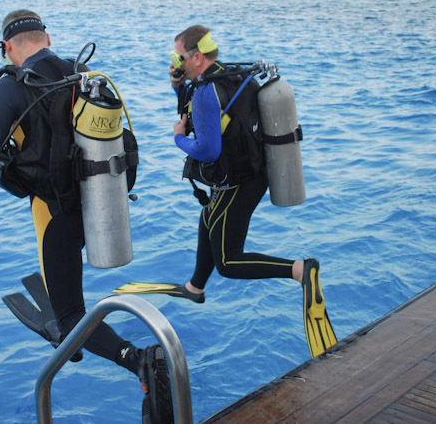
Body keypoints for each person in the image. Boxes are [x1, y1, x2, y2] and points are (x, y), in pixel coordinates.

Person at [0, 10, 173, 422]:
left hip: (56, 213)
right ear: (46, 38)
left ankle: (138, 361)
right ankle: (73, 337)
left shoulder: (12, 86)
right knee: (66, 303)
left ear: (6, 47)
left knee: (70, 314)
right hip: (100, 202)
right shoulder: (82, 74)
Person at [114, 25, 336, 358]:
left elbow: (207, 150)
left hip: (238, 182)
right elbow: (204, 116)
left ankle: (301, 270)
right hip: (252, 171)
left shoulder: (206, 91)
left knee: (229, 261)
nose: (175, 63)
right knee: (208, 218)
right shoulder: (229, 76)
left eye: (178, 57)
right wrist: (178, 87)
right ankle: (195, 287)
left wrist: (178, 138)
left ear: (197, 57)